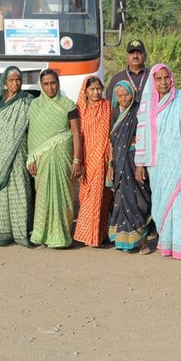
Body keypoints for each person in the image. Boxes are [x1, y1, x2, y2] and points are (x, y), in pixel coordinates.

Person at [135, 63, 181, 260]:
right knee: (163, 202)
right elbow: (141, 134)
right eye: (159, 78)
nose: (163, 82)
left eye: (166, 77)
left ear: (171, 78)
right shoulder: (147, 105)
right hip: (159, 164)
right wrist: (140, 163)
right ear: (153, 81)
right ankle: (167, 244)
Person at [27, 69, 82, 249]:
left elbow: (76, 133)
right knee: (43, 196)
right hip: (42, 159)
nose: (50, 87)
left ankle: (62, 236)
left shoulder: (68, 104)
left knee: (64, 195)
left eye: (53, 83)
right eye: (46, 84)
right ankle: (41, 234)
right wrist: (31, 158)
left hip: (63, 156)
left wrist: (76, 160)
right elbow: (33, 136)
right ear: (41, 86)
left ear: (58, 84)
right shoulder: (34, 106)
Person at [0, 66, 34, 247]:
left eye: (18, 80)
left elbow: (32, 128)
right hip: (0, 152)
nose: (15, 83)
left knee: (20, 188)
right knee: (0, 191)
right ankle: (0, 232)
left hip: (20, 151)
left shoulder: (28, 101)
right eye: (11, 80)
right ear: (5, 82)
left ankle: (21, 233)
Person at [106, 79, 152, 252]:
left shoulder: (139, 111)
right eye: (120, 96)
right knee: (121, 201)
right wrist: (110, 165)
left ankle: (143, 242)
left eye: (126, 94)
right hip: (119, 163)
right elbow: (112, 142)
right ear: (116, 98)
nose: (124, 98)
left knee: (138, 200)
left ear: (133, 95)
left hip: (135, 162)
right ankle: (125, 241)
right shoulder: (115, 115)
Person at [72, 77, 112, 247]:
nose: (96, 92)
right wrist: (78, 161)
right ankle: (89, 234)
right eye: (92, 89)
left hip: (104, 158)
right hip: (87, 158)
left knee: (102, 198)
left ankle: (97, 236)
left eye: (99, 89)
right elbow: (77, 136)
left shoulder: (108, 106)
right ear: (85, 91)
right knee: (86, 197)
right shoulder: (80, 109)